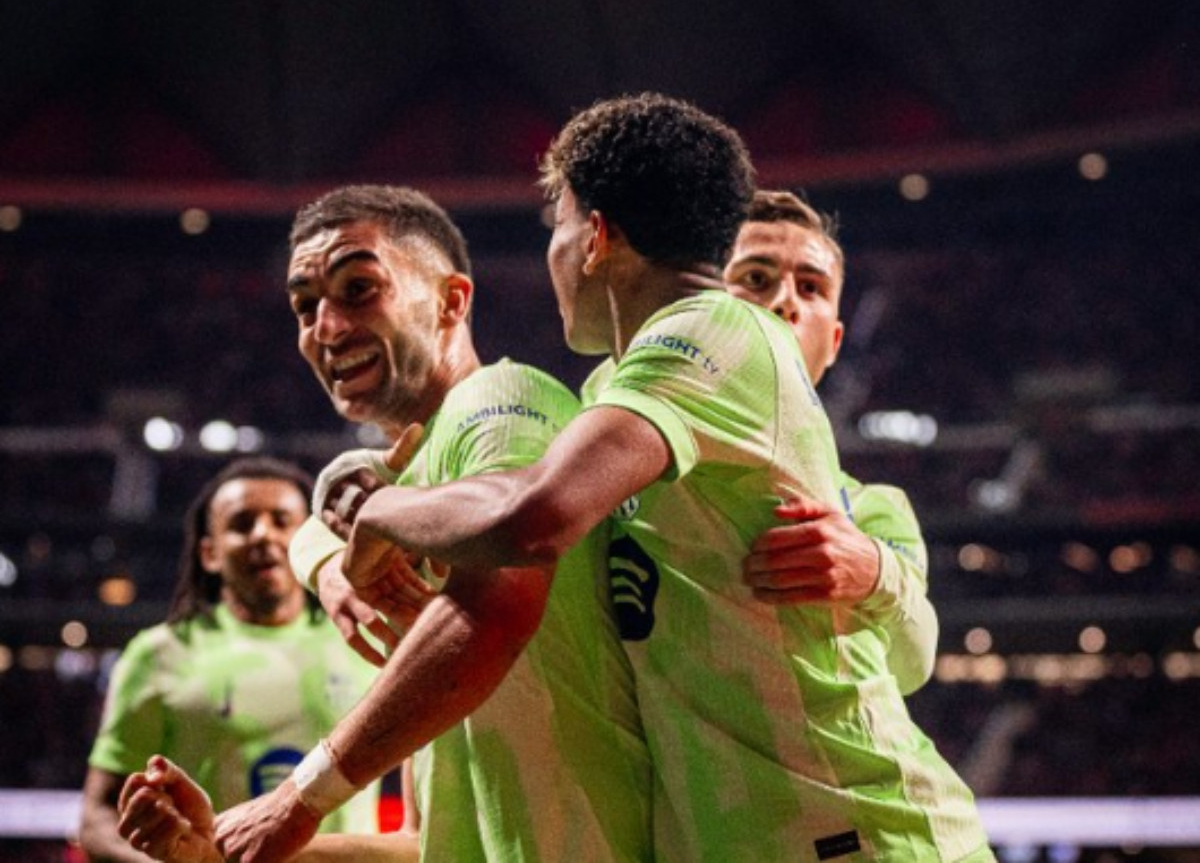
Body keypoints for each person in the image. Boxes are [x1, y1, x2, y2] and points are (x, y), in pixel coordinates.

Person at [127, 96, 992, 861]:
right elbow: (439, 840)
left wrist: (377, 513)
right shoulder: (612, 404)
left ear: (596, 237)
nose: (324, 326)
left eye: (557, 222)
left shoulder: (713, 332)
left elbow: (531, 516)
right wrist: (329, 531)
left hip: (860, 828)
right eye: (304, 306)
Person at [119, 185, 651, 863]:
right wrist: (219, 849)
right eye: (305, 306)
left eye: (359, 290)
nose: (326, 327)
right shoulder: (409, 491)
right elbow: (423, 845)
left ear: (451, 301)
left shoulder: (502, 399)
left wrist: (297, 799)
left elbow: (493, 612)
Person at [79, 457, 385, 863]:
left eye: (282, 521)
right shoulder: (157, 654)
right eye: (242, 524)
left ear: (310, 541)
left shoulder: (366, 639)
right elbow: (96, 820)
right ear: (210, 553)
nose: (263, 534)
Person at [724, 189, 939, 695]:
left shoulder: (872, 508)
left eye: (811, 287)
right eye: (756, 279)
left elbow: (914, 664)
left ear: (835, 343)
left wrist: (876, 573)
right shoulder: (632, 457)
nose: (785, 302)